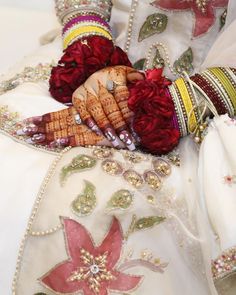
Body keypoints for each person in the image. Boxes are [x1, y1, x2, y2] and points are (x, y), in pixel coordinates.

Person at [0, 1, 236, 294]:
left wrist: (164, 109)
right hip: (101, 63)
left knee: (109, 203)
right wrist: (94, 60)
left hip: (213, 96)